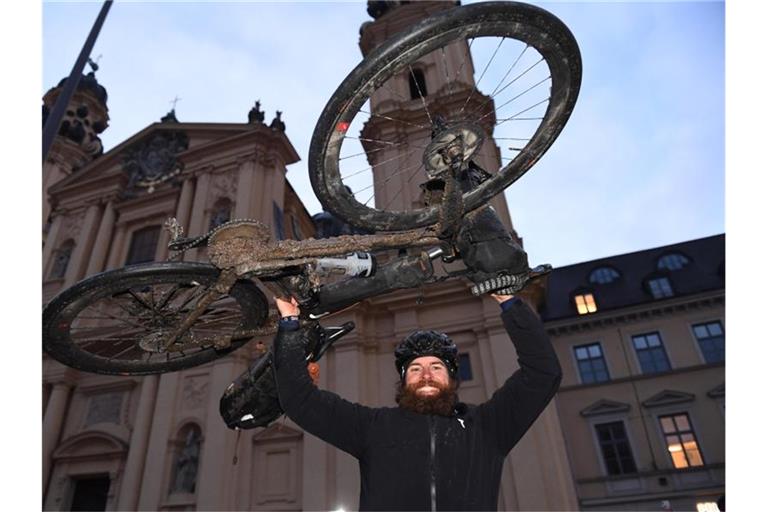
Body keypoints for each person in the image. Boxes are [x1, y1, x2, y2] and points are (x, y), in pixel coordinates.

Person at [272, 293, 562, 511]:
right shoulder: (373, 427)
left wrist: (510, 302)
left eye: (436, 367)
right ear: (403, 380)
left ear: (451, 378)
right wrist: (289, 324)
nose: (426, 376)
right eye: (415, 369)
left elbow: (543, 374)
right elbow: (299, 399)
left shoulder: (487, 427)